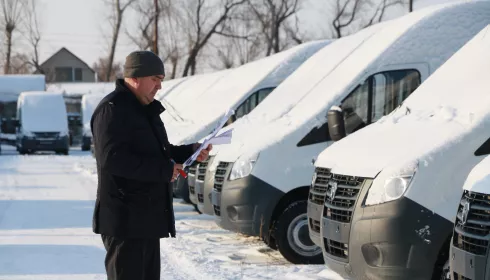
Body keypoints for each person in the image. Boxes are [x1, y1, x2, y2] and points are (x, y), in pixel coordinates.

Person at [90, 50, 211, 280]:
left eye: (161, 81)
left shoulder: (145, 109)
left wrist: (191, 151)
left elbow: (161, 152)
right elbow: (113, 160)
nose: (159, 87)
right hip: (124, 223)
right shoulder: (112, 110)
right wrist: (164, 171)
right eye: (155, 80)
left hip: (145, 219)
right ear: (135, 78)